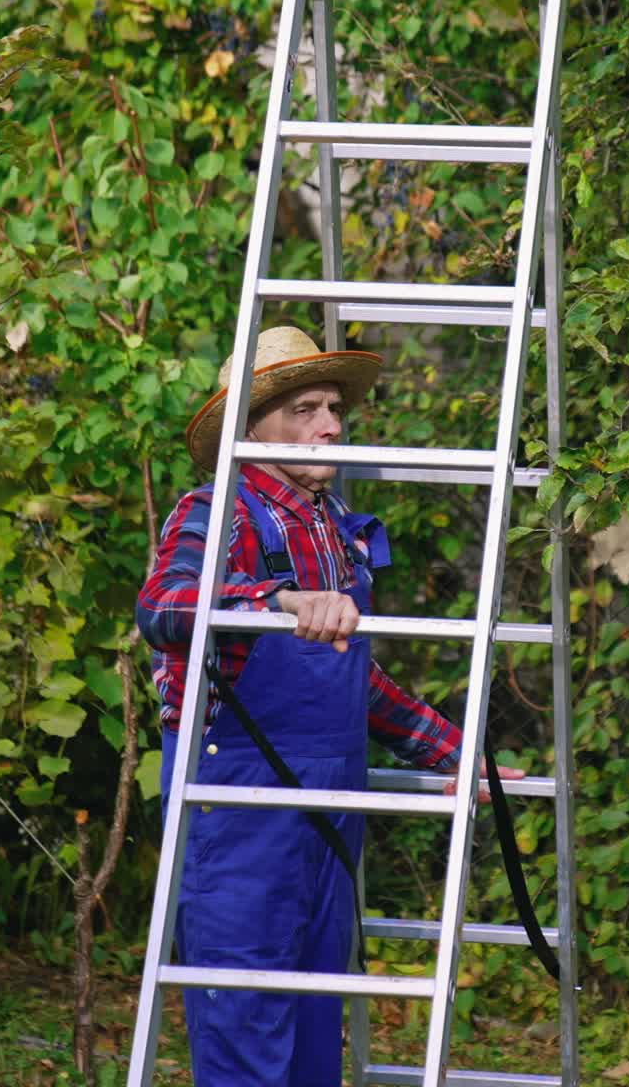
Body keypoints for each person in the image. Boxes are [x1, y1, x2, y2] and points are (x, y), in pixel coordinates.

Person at [136, 325, 517, 1086]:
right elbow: (165, 606)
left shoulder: (333, 526)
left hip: (329, 805)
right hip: (239, 808)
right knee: (246, 1020)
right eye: (304, 409)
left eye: (334, 407)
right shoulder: (222, 510)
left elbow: (354, 680)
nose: (330, 426)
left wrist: (452, 751)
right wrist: (271, 599)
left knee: (317, 1028)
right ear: (251, 427)